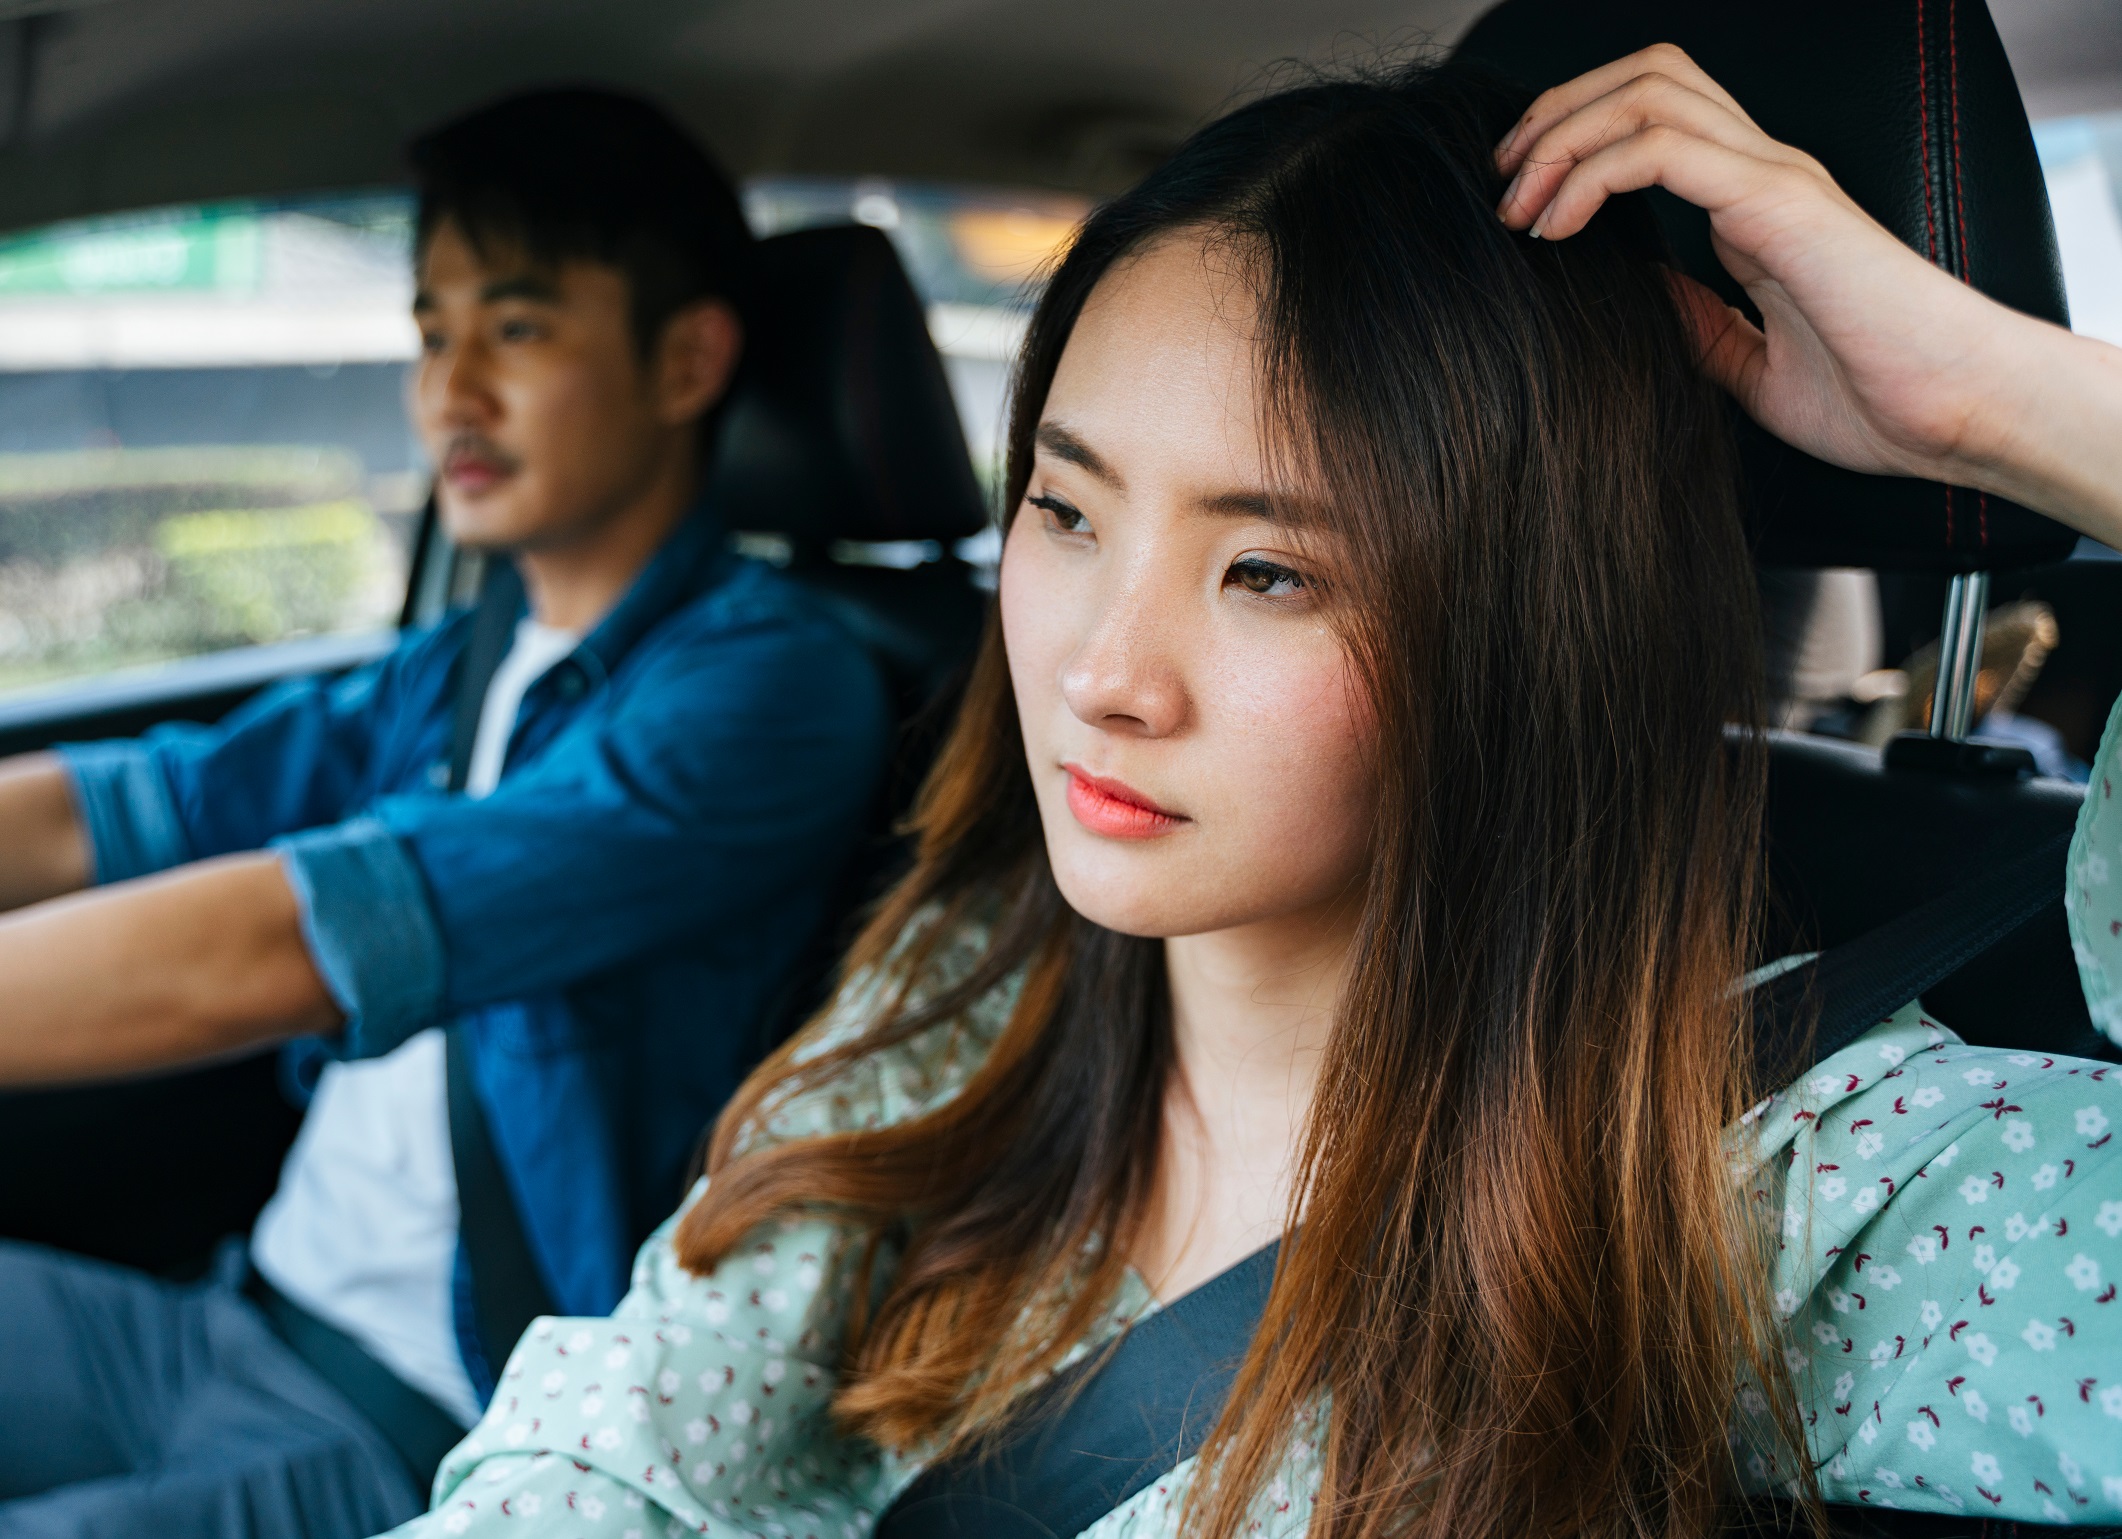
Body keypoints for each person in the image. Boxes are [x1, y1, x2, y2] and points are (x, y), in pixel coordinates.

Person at [384, 48, 2122, 1539]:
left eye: (1270, 571)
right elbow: (615, 1450)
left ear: (1523, 627)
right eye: (1065, 515)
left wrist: (2005, 414)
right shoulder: (972, 984)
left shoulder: (1774, 1178)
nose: (1098, 674)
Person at [0, 90, 891, 1537]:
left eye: (518, 330)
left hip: (416, 1423)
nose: (447, 392)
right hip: (224, 1322)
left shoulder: (770, 693)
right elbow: (118, 809)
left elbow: (286, 944)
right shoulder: (460, 659)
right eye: (432, 332)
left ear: (687, 360)